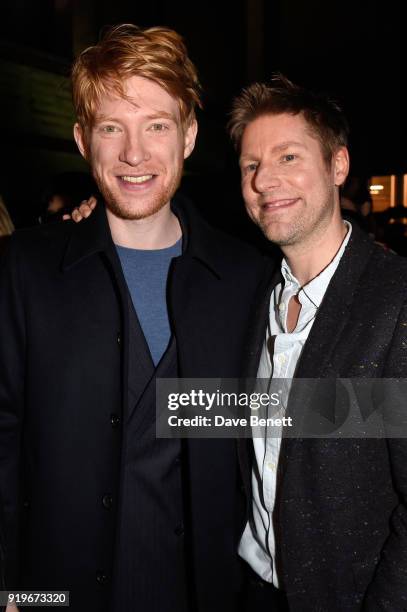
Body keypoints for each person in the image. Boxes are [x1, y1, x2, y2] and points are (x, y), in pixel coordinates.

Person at [0, 25, 265, 612]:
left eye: (157, 126)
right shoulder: (27, 269)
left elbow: (289, 427)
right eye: (111, 128)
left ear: (190, 136)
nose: (134, 154)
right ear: (81, 139)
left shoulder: (247, 278)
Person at [227, 76, 407, 611]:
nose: (265, 181)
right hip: (250, 589)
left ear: (338, 166)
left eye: (288, 157)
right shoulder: (249, 295)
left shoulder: (395, 301)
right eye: (250, 166)